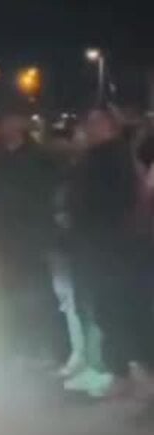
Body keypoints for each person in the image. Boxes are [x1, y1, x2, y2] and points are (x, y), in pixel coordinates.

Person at [70, 107, 154, 399]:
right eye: (88, 122)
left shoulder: (115, 159)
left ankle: (137, 371)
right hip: (103, 248)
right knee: (111, 312)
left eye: (96, 123)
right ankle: (122, 372)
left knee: (125, 311)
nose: (89, 128)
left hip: (116, 249)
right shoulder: (95, 158)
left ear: (110, 127)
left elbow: (118, 204)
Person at [0, 107, 63, 367]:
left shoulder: (38, 156)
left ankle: (54, 349)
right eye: (6, 121)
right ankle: (21, 347)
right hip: (2, 236)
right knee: (11, 294)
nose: (10, 126)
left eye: (14, 120)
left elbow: (47, 193)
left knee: (40, 292)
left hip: (31, 236)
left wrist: (44, 231)